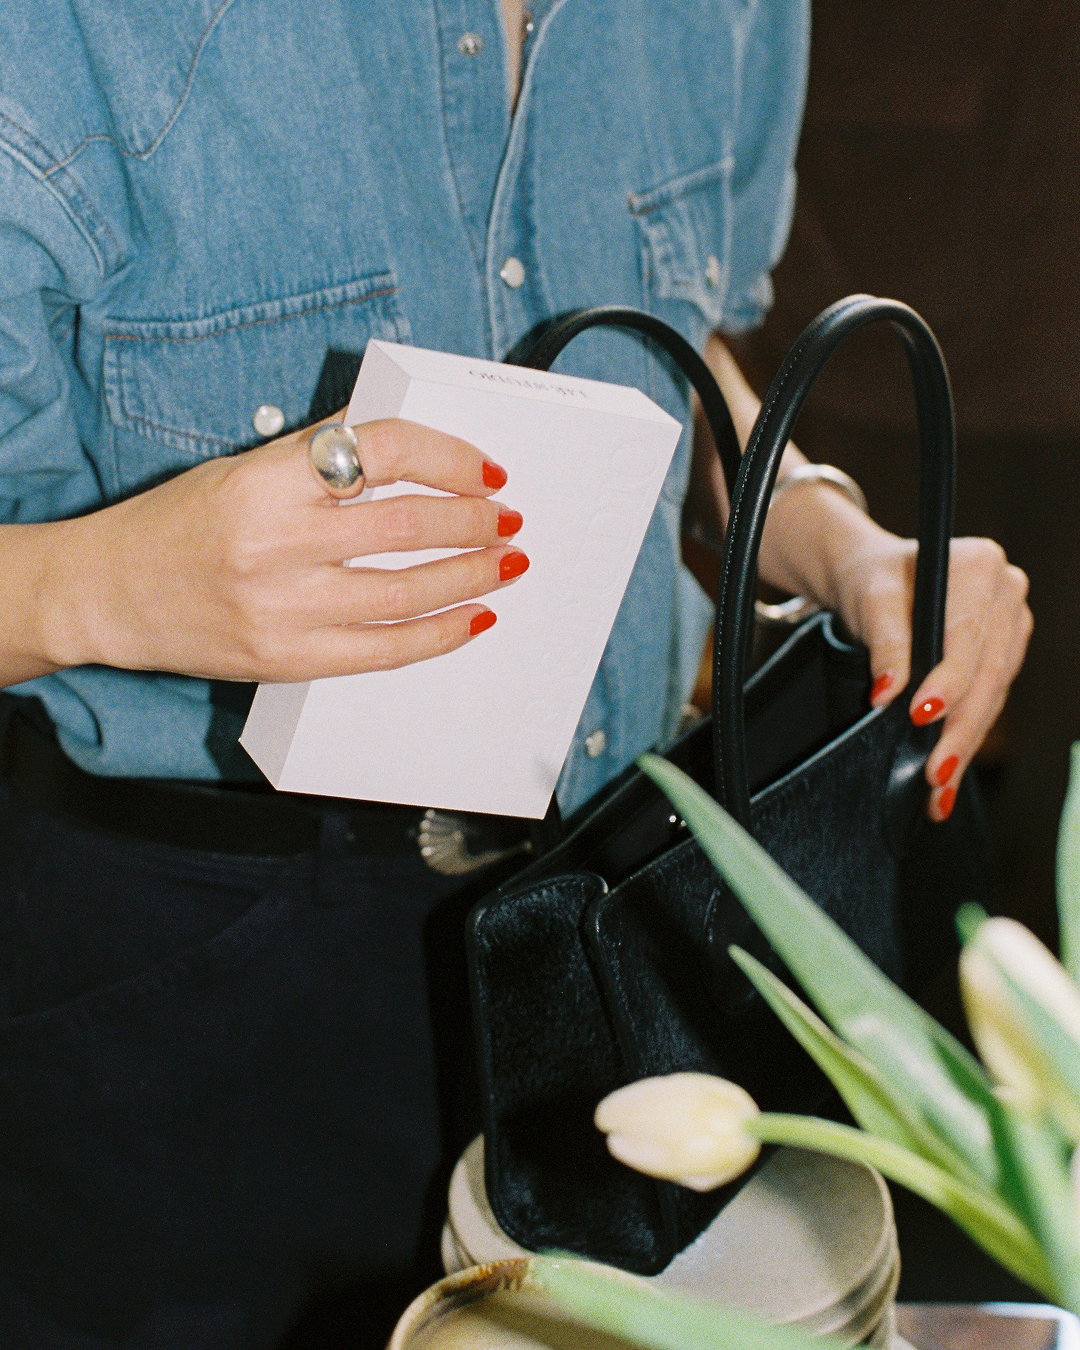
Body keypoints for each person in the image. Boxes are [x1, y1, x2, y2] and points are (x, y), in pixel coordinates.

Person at [0, 0, 1031, 1346]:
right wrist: (101, 584)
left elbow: (679, 346)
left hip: (620, 914)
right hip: (190, 1001)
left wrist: (830, 536)